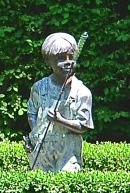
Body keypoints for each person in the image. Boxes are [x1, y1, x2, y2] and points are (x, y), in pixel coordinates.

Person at [24, 32, 93, 173]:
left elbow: (83, 125)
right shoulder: (39, 87)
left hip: (68, 154)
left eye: (71, 57)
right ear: (48, 61)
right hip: (42, 153)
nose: (68, 62)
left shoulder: (82, 92)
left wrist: (60, 120)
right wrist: (35, 135)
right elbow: (31, 112)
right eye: (61, 58)